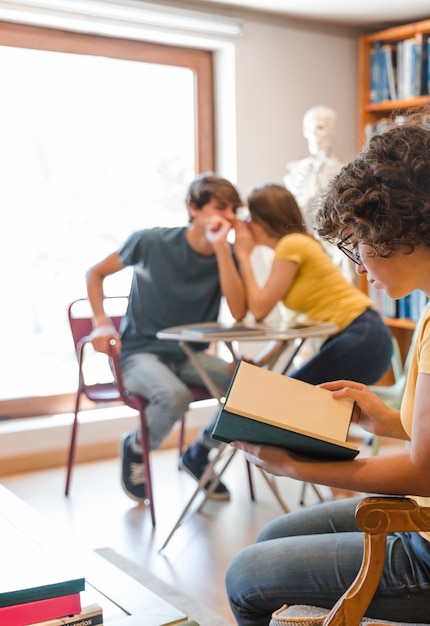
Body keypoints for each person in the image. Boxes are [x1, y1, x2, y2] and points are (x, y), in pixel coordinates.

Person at [224, 108, 430, 626]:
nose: (359, 266)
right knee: (273, 540)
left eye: (357, 245)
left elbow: (429, 471)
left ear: (392, 231)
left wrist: (295, 467)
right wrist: (384, 418)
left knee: (246, 575)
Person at [183, 183, 393, 464]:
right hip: (365, 339)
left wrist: (243, 255)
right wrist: (262, 361)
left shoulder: (291, 245)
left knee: (277, 403)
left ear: (263, 220)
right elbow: (291, 329)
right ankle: (201, 452)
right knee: (283, 404)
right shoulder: (292, 249)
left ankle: (200, 451)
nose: (244, 225)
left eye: (249, 218)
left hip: (361, 336)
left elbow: (258, 309)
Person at [86, 172, 247, 504]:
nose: (229, 216)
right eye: (220, 207)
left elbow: (239, 310)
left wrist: (223, 250)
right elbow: (95, 273)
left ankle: (200, 453)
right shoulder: (150, 242)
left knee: (251, 389)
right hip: (140, 353)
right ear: (193, 207)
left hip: (189, 355)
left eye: (234, 209)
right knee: (174, 397)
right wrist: (101, 322)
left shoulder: (226, 254)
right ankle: (135, 446)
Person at [284, 105, 355, 284]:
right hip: (303, 242)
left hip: (333, 244)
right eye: (309, 129)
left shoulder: (341, 171)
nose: (314, 134)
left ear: (332, 131)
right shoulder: (294, 172)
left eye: (321, 128)